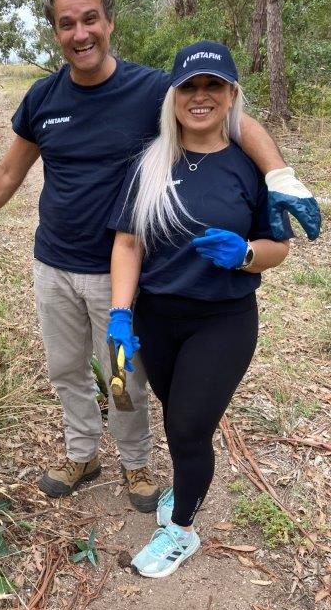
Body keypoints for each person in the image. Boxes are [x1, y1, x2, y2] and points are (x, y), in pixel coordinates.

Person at [0, 0, 319, 510]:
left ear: (109, 22)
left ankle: (137, 463)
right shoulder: (43, 98)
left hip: (118, 268)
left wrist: (279, 177)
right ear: (55, 33)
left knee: (123, 374)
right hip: (52, 262)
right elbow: (9, 173)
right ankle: (81, 452)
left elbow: (237, 122)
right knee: (66, 368)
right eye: (67, 24)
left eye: (90, 19)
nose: (81, 33)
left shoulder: (150, 91)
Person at [107, 40, 293, 578]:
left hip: (223, 320)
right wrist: (121, 315)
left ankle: (182, 529)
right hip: (157, 318)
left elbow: (277, 245)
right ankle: (186, 490)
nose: (201, 96)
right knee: (175, 413)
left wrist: (247, 254)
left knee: (188, 428)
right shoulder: (150, 162)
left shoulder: (249, 167)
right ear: (173, 96)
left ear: (232, 94)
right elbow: (127, 244)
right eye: (189, 86)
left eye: (214, 85)